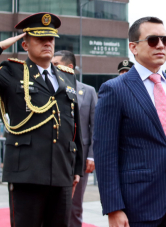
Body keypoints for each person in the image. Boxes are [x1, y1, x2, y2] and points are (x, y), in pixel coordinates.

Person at [94, 16, 166, 227]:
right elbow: (105, 153)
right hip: (137, 204)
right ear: (133, 47)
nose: (161, 45)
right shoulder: (115, 89)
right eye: (153, 40)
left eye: (165, 40)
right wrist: (114, 208)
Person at [0, 12, 83, 227]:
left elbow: (73, 124)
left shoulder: (66, 76)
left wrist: (76, 169)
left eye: (50, 39)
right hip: (27, 173)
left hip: (61, 172)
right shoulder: (12, 72)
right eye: (40, 39)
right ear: (25, 44)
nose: (47, 43)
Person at [52, 50, 98, 227]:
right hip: (53, 155)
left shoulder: (88, 91)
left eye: (56, 64)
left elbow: (95, 127)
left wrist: (91, 156)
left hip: (79, 157)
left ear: (69, 67)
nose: (52, 67)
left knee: (75, 205)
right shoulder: (48, 89)